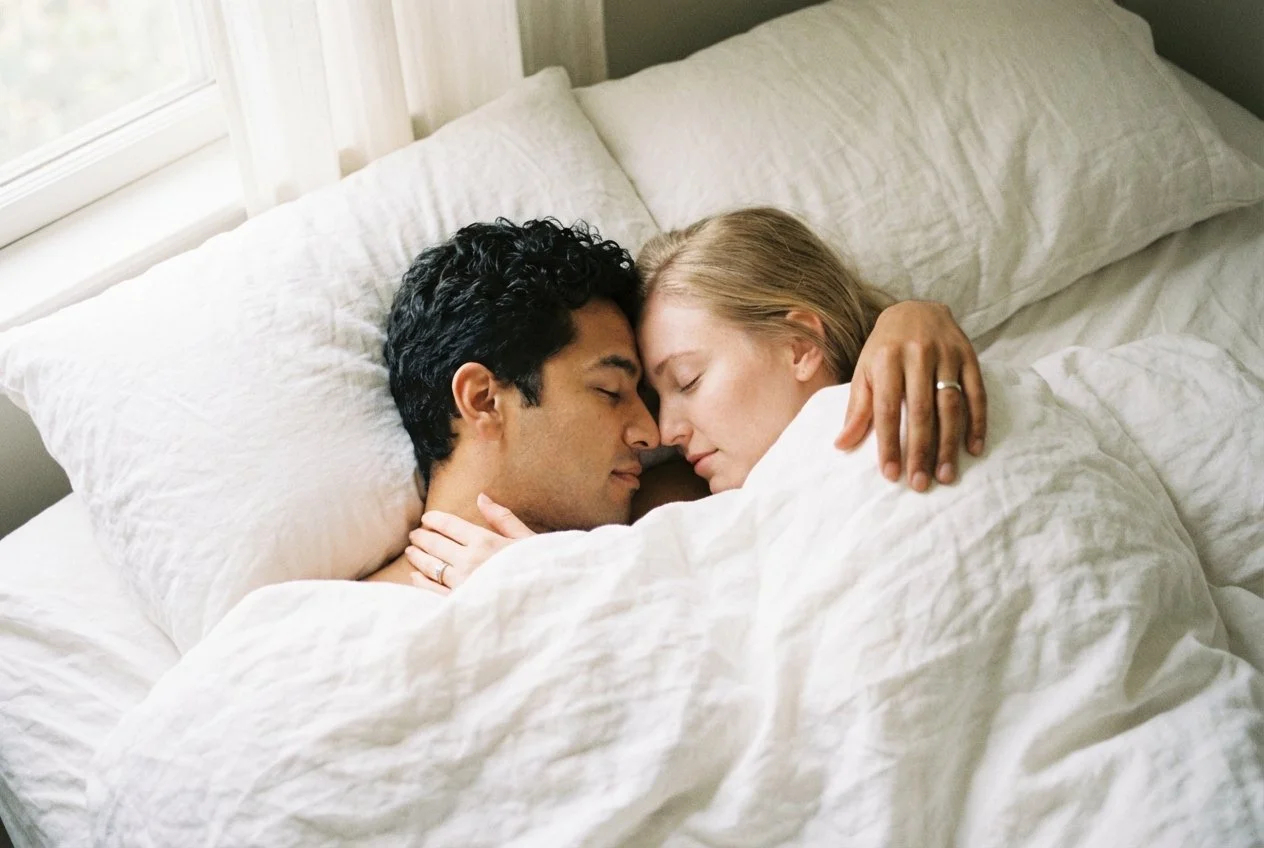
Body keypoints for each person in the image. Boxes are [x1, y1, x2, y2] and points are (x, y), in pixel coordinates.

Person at [367, 213, 985, 588]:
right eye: (611, 390)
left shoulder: (689, 503)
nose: (655, 434)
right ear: (482, 399)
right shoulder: (353, 622)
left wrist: (905, 320)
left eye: (682, 384)